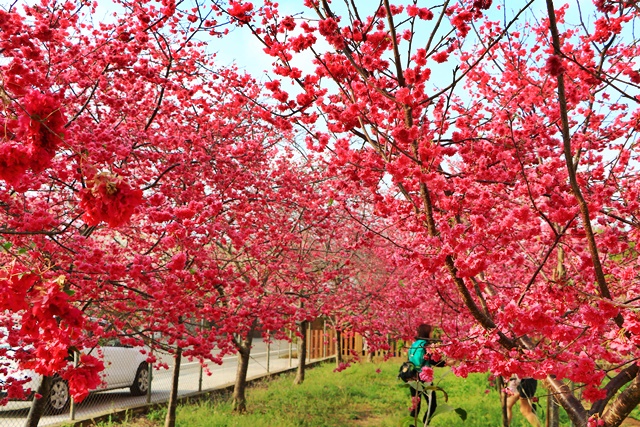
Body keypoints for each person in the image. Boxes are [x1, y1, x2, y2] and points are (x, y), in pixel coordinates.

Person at [407, 324, 444, 427]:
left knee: (416, 405)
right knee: (432, 405)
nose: (432, 333)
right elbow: (433, 360)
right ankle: (425, 424)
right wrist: (447, 363)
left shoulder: (414, 344)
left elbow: (409, 360)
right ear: (427, 332)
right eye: (431, 331)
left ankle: (411, 425)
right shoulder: (426, 344)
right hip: (424, 377)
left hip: (412, 376)